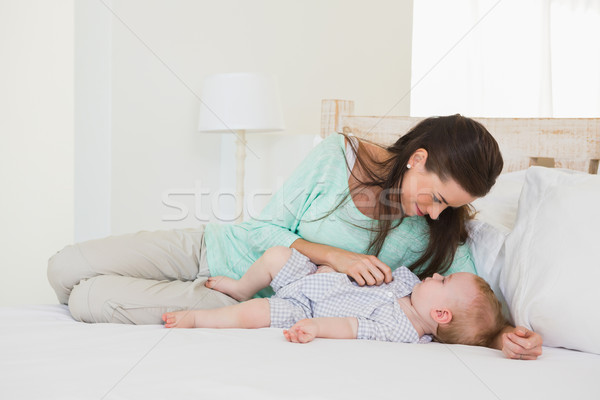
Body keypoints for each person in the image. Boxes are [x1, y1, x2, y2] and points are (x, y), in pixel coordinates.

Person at [47, 114, 543, 359]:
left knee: (88, 299)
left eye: (449, 207)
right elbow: (266, 229)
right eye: (436, 196)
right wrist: (340, 257)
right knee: (63, 269)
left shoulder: (440, 231)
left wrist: (502, 336)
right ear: (418, 158)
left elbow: (466, 298)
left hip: (250, 301)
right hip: (217, 247)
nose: (436, 215)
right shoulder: (337, 155)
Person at [162, 246, 507, 347]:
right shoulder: (409, 284)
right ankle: (240, 286)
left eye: (443, 281)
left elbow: (349, 326)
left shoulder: (400, 329)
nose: (435, 274)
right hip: (314, 278)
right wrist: (335, 271)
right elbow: (362, 274)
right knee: (276, 256)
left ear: (441, 315)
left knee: (253, 314)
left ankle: (198, 319)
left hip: (305, 306)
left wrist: (314, 326)